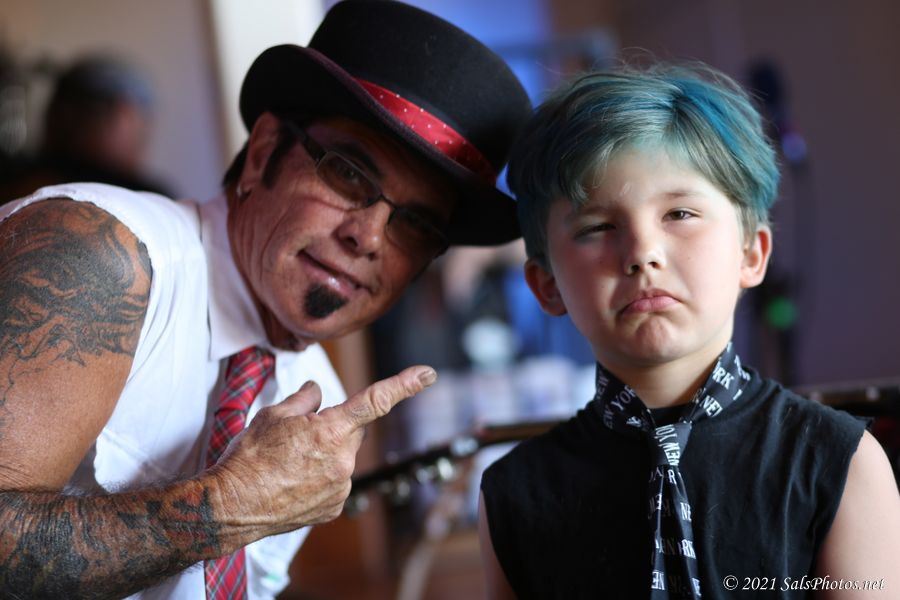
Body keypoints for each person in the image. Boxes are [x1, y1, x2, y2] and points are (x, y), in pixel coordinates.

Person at [0, 1, 531, 598]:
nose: (370, 237)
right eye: (348, 173)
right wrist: (231, 504)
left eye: (415, 223)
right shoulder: (103, 252)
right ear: (262, 154)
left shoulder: (315, 398)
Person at [478, 63, 900, 599]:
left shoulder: (840, 463)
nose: (643, 253)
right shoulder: (514, 494)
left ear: (751, 254)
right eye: (598, 226)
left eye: (679, 213)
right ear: (547, 285)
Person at [0, 54, 173, 202]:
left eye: (85, 107)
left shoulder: (16, 182)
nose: (56, 116)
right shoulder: (150, 201)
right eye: (59, 102)